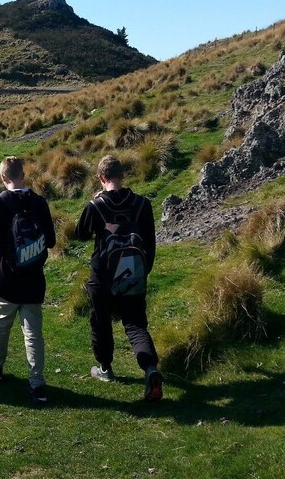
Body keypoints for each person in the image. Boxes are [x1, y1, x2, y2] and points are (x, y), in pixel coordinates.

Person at [74, 155, 163, 402]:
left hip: (102, 275)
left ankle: (105, 368)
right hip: (134, 274)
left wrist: (94, 205)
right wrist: (143, 272)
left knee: (100, 321)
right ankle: (150, 370)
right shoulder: (142, 204)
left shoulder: (96, 205)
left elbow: (80, 233)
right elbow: (150, 243)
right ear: (122, 176)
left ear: (101, 178)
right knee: (135, 325)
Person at [0, 156, 56, 404]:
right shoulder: (39, 202)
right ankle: (37, 383)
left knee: (1, 326)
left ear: (4, 177)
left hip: (7, 278)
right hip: (34, 279)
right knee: (33, 333)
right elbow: (52, 241)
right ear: (22, 175)